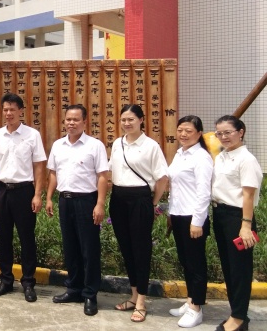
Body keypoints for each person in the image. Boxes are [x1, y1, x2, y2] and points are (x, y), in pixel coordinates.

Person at [45, 105, 109, 315]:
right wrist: (49, 198)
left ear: (84, 122)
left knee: (89, 249)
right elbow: (53, 173)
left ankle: (90, 294)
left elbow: (102, 176)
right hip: (65, 201)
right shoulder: (58, 145)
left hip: (86, 201)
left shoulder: (94, 145)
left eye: (75, 119)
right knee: (70, 247)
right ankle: (74, 289)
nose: (71, 123)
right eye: (68, 119)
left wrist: (100, 204)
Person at [109, 104, 169, 323]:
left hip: (140, 200)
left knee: (141, 250)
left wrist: (152, 203)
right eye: (123, 119)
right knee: (127, 248)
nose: (126, 123)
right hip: (118, 199)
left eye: (131, 119)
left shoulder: (151, 146)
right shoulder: (118, 143)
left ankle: (142, 301)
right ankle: (133, 296)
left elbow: (162, 178)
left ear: (141, 120)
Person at [0, 93, 46, 303]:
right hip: (1, 191)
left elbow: (39, 166)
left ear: (21, 111)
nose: (8, 113)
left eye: (12, 109)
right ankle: (6, 280)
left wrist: (37, 194)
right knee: (4, 238)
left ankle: (28, 282)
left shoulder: (32, 135)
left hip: (23, 192)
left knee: (26, 238)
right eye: (5, 109)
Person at [212, 115, 262, 331]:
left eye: (228, 132)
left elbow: (248, 195)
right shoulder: (222, 156)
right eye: (219, 133)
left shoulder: (246, 159)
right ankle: (236, 313)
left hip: (238, 218)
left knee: (240, 269)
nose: (223, 137)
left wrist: (246, 225)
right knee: (229, 267)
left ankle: (239, 318)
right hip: (221, 214)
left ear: (240, 132)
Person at [166, 116, 213, 328]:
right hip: (178, 214)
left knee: (196, 263)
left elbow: (204, 193)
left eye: (188, 131)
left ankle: (196, 308)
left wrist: (197, 222)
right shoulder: (180, 153)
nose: (183, 134)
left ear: (199, 133)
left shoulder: (201, 157)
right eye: (180, 130)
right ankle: (190, 300)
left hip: (193, 218)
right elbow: (175, 187)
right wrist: (170, 213)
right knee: (185, 261)